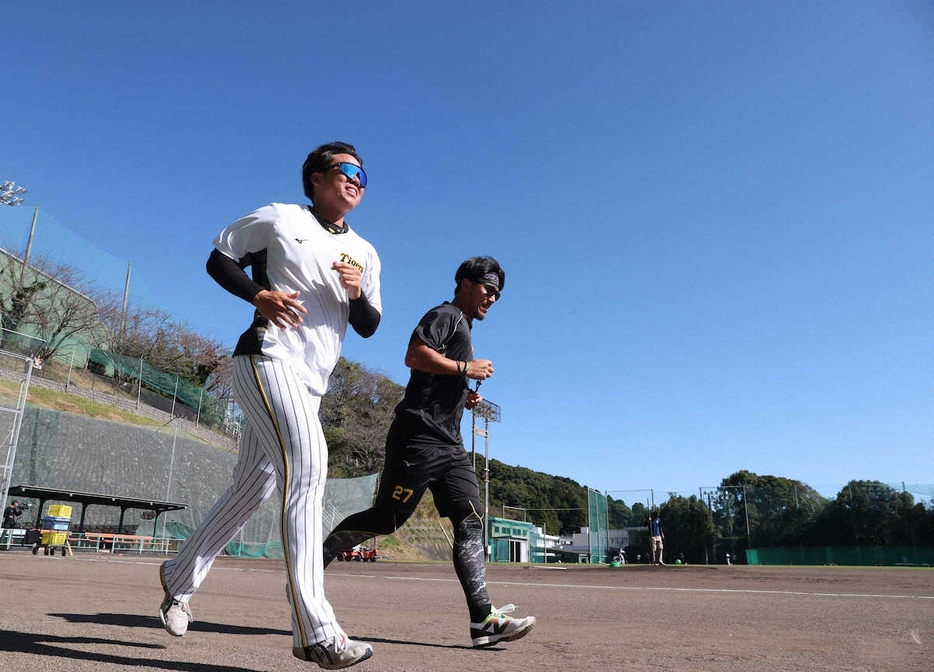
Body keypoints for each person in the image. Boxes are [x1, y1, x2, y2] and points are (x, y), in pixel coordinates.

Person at [158, 141, 381, 669]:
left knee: (252, 488)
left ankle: (177, 575)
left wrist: (354, 294)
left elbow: (370, 325)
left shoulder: (366, 253)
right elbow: (219, 257)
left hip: (311, 382)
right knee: (308, 470)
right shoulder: (280, 218)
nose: (356, 180)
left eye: (363, 175)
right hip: (266, 358)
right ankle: (315, 630)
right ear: (316, 179)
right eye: (346, 170)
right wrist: (259, 296)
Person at [323, 257, 536, 649]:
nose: (493, 298)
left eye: (498, 293)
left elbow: (434, 374)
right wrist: (464, 368)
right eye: (488, 289)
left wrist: (460, 394)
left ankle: (482, 621)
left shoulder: (464, 326)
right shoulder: (447, 314)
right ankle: (310, 569)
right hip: (417, 439)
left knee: (470, 520)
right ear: (465, 283)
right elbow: (415, 355)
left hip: (450, 444)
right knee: (387, 520)